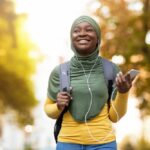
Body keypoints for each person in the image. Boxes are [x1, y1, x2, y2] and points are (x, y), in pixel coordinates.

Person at [44, 15, 135, 150]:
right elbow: (48, 110)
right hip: (68, 143)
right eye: (76, 30)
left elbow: (114, 117)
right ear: (71, 38)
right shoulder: (60, 72)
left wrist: (123, 92)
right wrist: (58, 105)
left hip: (104, 143)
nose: (82, 34)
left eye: (88, 30)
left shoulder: (110, 69)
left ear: (98, 37)